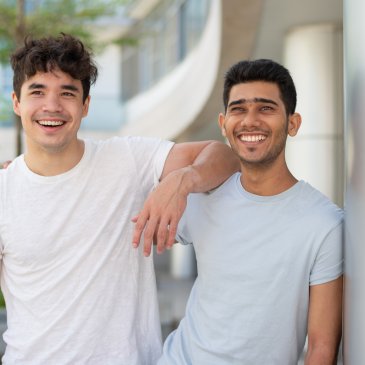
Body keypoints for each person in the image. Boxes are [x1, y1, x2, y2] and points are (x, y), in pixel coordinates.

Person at [0, 34, 239, 364]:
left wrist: (182, 182)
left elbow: (224, 156)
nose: (52, 106)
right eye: (37, 91)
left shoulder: (129, 159)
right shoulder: (4, 192)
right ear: (16, 102)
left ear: (85, 105)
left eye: (67, 93)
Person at [154, 59, 343, 364]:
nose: (250, 121)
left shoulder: (324, 224)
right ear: (223, 124)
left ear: (292, 123)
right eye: (238, 109)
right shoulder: (204, 197)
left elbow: (322, 347)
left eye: (266, 108)